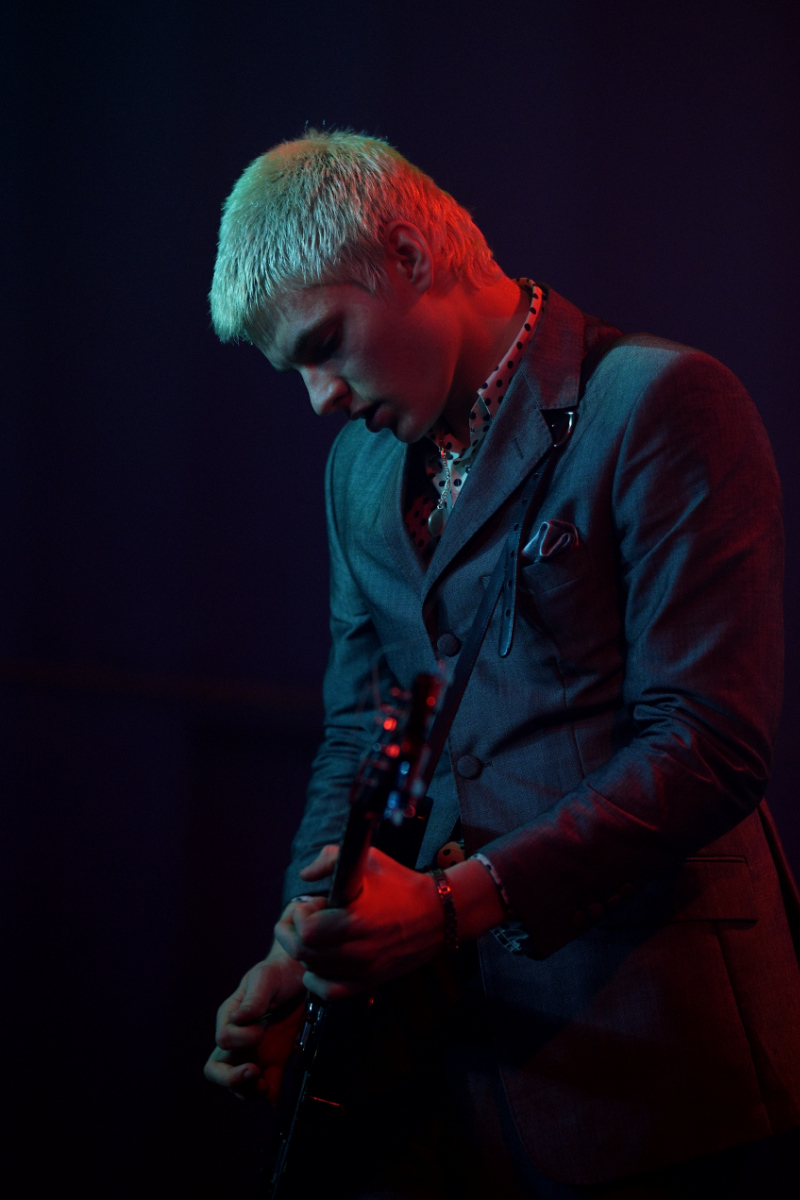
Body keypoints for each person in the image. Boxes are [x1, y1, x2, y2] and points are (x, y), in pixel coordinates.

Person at [204, 129, 800, 1198]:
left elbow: (709, 744)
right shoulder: (357, 474)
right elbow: (368, 737)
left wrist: (449, 905)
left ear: (407, 255)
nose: (320, 399)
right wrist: (309, 952)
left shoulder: (661, 401)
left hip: (654, 1055)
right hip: (446, 1063)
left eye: (325, 343)